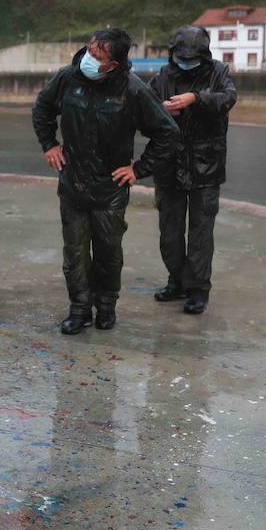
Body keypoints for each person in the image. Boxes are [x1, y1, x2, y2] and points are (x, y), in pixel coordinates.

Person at [31, 28, 178, 334]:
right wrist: (49, 144)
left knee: (108, 252)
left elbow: (167, 132)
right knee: (75, 252)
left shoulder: (132, 90)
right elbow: (42, 109)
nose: (90, 55)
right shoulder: (67, 78)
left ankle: (107, 305)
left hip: (110, 187)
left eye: (98, 54)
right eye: (90, 48)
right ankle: (80, 308)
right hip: (72, 183)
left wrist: (139, 169)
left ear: (114, 64)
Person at [147, 25, 237, 315]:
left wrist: (196, 99)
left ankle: (198, 289)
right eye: (180, 56)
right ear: (172, 53)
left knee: (201, 232)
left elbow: (227, 98)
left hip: (205, 166)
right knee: (169, 232)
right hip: (168, 166)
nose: (185, 61)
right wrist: (160, 110)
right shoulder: (161, 76)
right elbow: (142, 110)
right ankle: (176, 281)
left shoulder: (219, 72)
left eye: (192, 57)